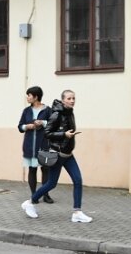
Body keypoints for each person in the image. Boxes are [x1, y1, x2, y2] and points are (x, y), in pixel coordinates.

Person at [22, 89, 93, 223]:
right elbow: (47, 133)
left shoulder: (70, 113)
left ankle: (77, 212)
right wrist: (64, 135)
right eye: (69, 98)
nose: (72, 101)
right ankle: (30, 202)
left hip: (68, 154)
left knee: (78, 180)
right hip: (58, 154)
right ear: (63, 100)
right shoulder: (56, 114)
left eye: (73, 98)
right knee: (51, 184)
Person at [18, 86, 53, 203]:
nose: (27, 97)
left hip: (43, 144)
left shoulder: (47, 110)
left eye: (29, 95)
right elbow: (20, 126)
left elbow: (54, 124)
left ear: (36, 97)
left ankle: (46, 194)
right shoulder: (26, 111)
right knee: (32, 170)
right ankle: (34, 195)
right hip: (29, 145)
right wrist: (27, 126)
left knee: (45, 169)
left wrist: (42, 123)